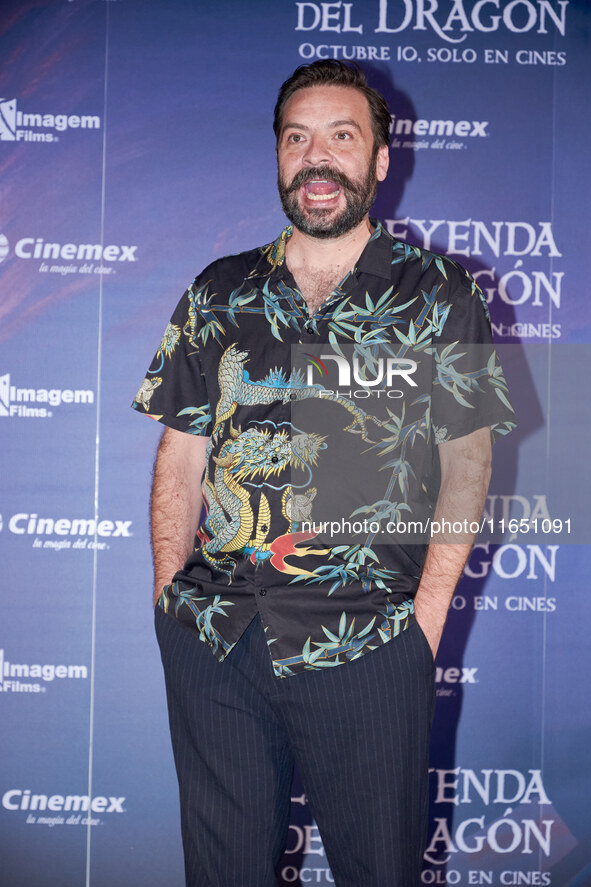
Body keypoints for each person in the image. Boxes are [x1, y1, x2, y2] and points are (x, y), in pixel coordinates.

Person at [133, 60, 515, 887]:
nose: (317, 158)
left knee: (378, 872)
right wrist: (170, 594)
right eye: (297, 138)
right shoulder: (220, 291)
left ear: (380, 160)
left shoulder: (438, 294)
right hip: (217, 637)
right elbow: (181, 454)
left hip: (369, 641)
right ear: (277, 156)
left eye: (342, 137)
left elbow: (468, 462)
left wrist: (422, 626)